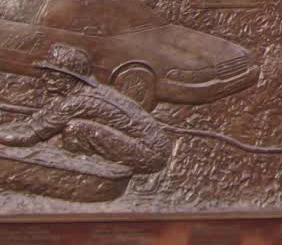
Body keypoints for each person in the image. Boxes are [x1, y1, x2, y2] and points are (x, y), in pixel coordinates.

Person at [0, 43, 170, 174]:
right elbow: (32, 123)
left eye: (51, 74)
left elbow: (28, 136)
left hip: (150, 155)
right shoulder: (75, 95)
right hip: (146, 146)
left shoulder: (78, 102)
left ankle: (78, 167)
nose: (44, 78)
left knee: (75, 128)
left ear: (69, 78)